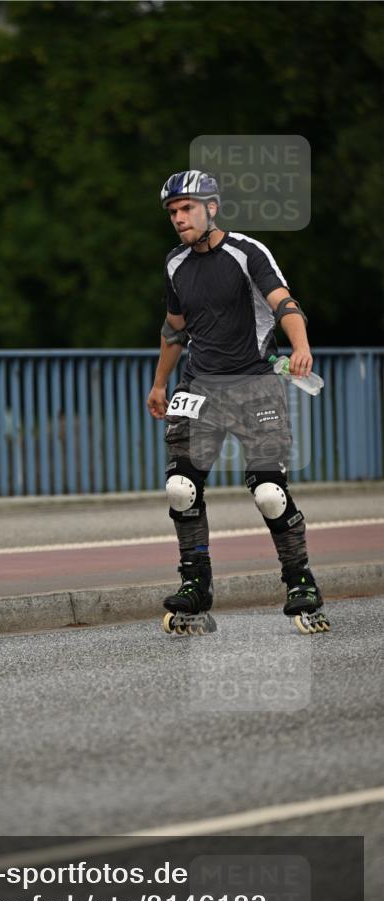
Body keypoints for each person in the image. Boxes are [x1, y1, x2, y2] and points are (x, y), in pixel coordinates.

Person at [147, 169, 329, 633]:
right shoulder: (175, 265)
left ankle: (299, 581)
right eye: (172, 212)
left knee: (269, 493)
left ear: (212, 207)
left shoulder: (247, 253)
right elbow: (174, 328)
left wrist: (301, 346)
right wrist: (159, 383)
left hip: (254, 384)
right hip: (199, 387)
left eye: (187, 209)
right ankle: (196, 584)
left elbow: (285, 304)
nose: (179, 219)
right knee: (180, 488)